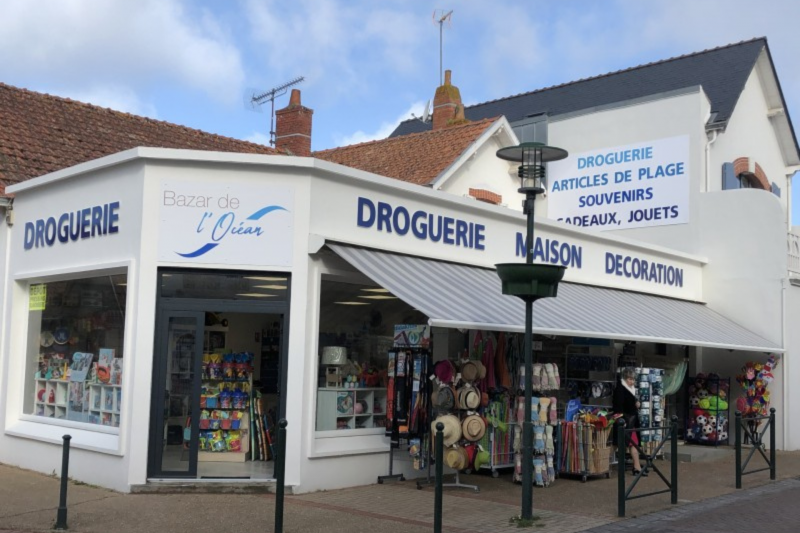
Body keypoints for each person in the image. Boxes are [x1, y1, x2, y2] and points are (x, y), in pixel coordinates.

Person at [613, 368, 647, 476]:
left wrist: (636, 404)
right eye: (629, 379)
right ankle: (636, 468)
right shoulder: (620, 390)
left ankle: (636, 467)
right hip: (626, 421)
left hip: (631, 421)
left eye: (633, 379)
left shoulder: (630, 389)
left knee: (633, 444)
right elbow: (619, 407)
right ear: (624, 378)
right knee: (625, 444)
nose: (632, 381)